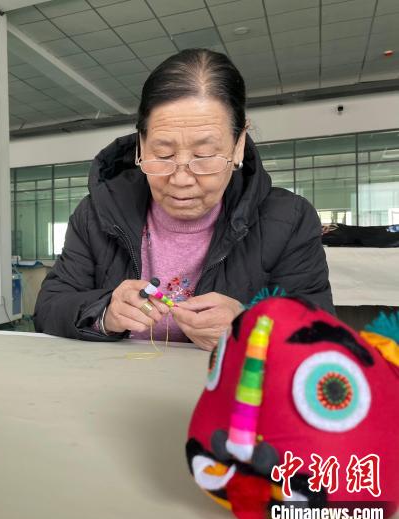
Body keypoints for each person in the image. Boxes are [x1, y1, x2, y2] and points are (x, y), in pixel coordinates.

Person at [33, 48, 333, 350]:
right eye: (163, 155)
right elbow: (49, 307)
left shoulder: (289, 221)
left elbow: (322, 335)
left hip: (231, 380)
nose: (181, 179)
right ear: (141, 145)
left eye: (204, 155)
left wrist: (249, 325)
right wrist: (105, 312)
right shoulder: (99, 211)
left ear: (239, 145)